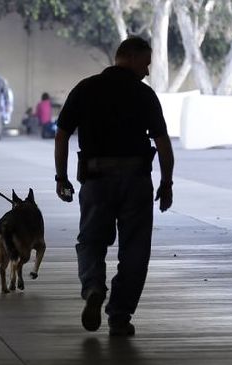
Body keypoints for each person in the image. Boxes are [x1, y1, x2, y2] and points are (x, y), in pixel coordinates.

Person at [54, 36, 174, 337]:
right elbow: (162, 142)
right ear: (131, 57)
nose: (146, 71)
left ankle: (94, 286)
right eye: (145, 63)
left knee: (91, 241)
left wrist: (61, 177)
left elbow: (62, 135)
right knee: (135, 249)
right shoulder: (144, 94)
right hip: (136, 181)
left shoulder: (85, 88)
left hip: (96, 179)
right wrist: (167, 181)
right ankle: (119, 315)